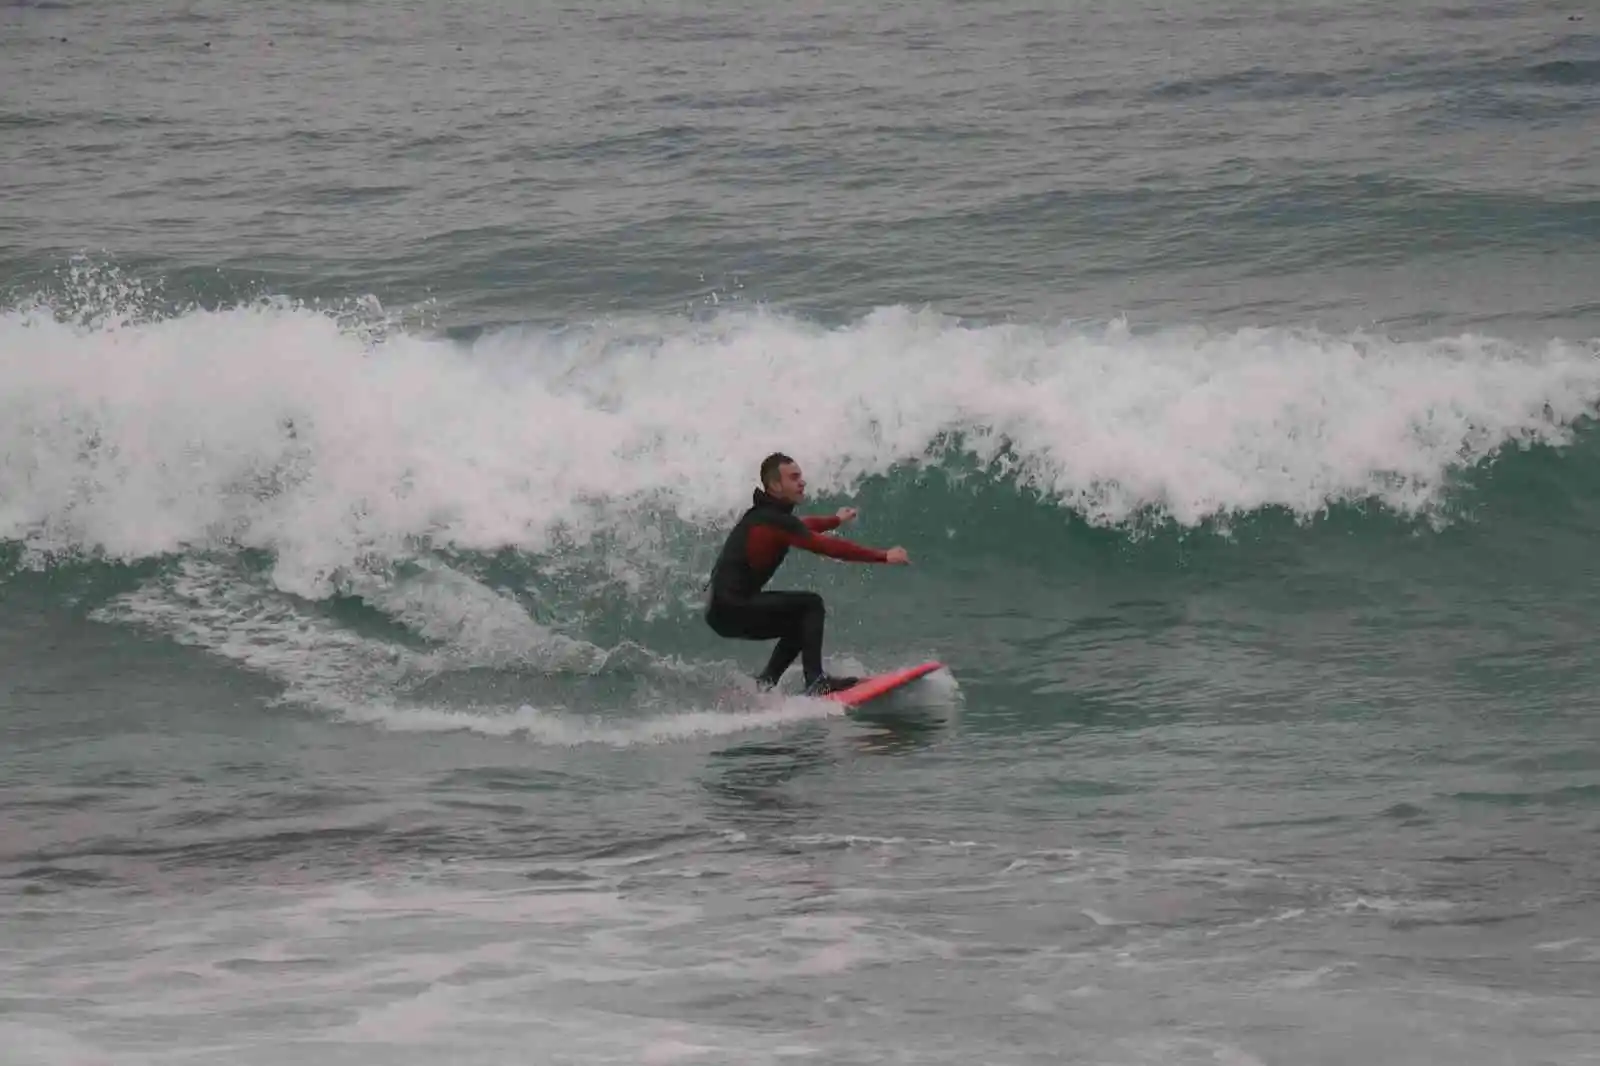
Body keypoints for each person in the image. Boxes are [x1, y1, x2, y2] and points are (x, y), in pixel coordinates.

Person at [705, 452, 910, 695]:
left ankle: (766, 683)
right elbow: (827, 547)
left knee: (798, 622)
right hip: (731, 605)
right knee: (811, 605)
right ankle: (815, 682)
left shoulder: (768, 516)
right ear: (774, 485)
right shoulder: (771, 520)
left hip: (720, 609)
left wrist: (835, 519)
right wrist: (883, 556)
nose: (802, 482)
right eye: (794, 477)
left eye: (800, 476)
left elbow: (803, 525)